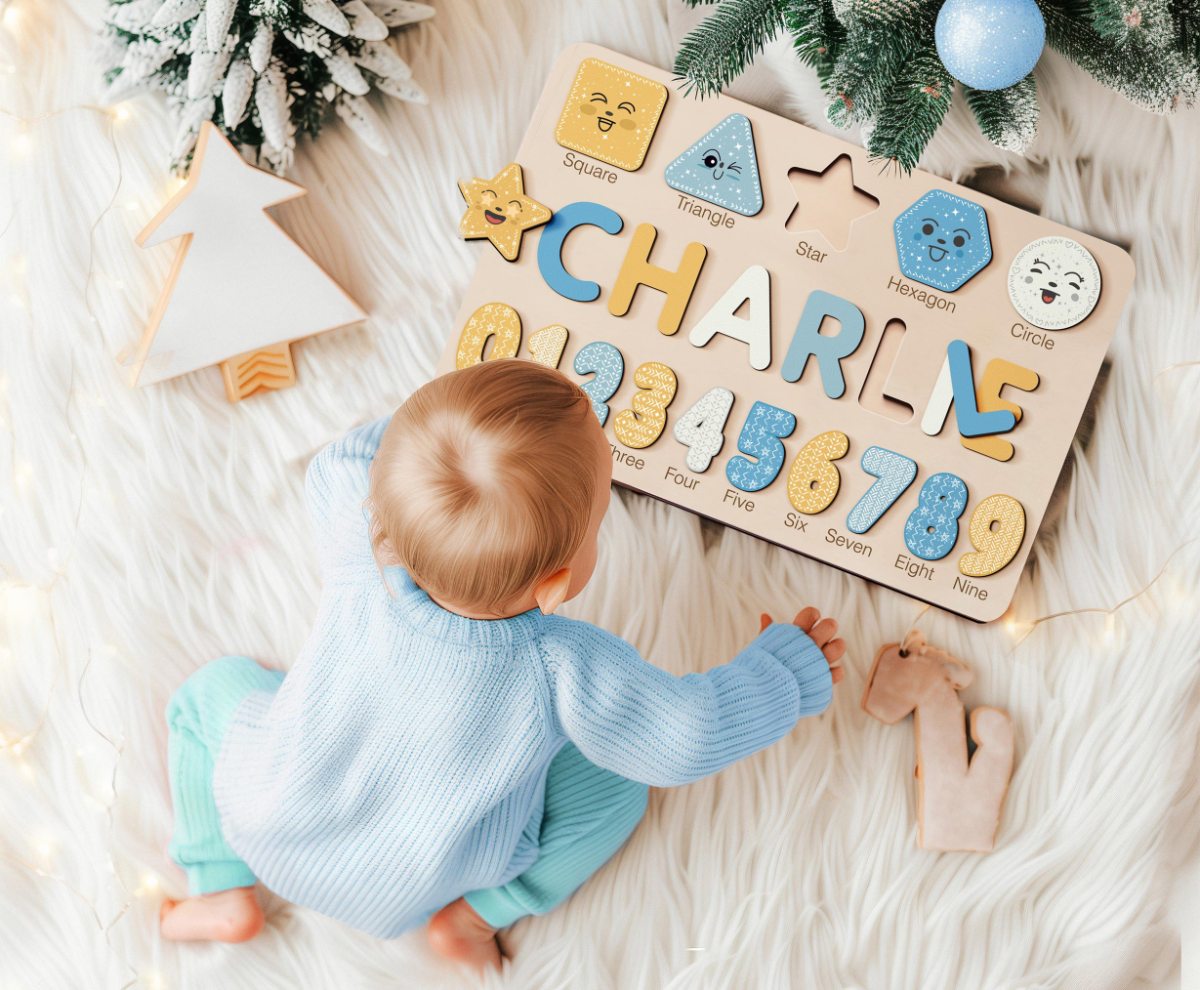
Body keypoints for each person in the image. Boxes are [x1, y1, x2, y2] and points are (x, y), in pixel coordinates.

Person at [158, 359, 846, 969]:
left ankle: (220, 886)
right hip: (425, 879)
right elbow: (687, 734)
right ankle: (478, 915)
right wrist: (787, 671)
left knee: (208, 694)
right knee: (615, 790)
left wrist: (430, 445)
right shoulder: (562, 667)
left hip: (271, 820)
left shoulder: (355, 533)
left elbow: (340, 462)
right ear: (554, 585)